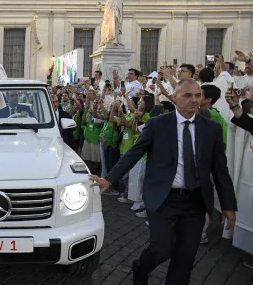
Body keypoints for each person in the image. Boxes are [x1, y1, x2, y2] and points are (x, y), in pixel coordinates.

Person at [90, 79, 237, 285]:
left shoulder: (211, 128)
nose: (194, 100)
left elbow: (220, 170)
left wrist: (228, 205)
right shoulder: (158, 124)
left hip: (196, 202)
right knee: (161, 249)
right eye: (188, 95)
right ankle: (141, 267)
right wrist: (110, 178)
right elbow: (134, 153)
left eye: (197, 96)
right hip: (163, 199)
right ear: (175, 97)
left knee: (185, 257)